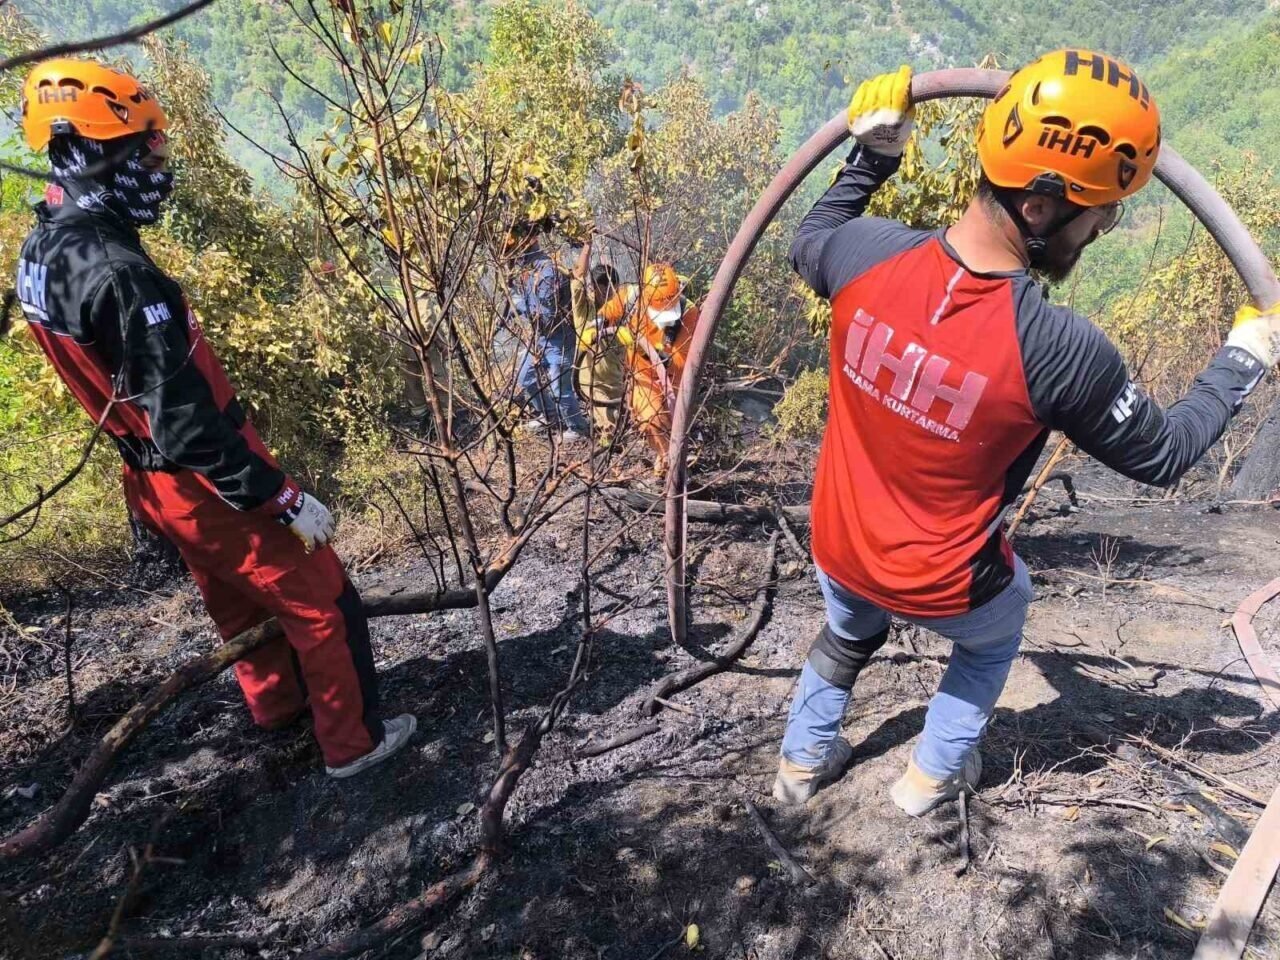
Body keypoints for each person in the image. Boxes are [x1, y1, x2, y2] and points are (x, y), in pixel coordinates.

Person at [773, 54, 1279, 812]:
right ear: (1038, 208)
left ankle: (799, 767)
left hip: (839, 545)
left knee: (847, 633)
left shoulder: (866, 255)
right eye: (1101, 211)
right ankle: (930, 781)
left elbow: (810, 235)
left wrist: (873, 156)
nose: (1104, 227)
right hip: (943, 582)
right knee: (994, 631)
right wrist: (1243, 358)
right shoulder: (1057, 349)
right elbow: (1167, 453)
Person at [14, 59, 416, 779]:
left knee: (237, 599)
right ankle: (354, 745)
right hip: (204, 475)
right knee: (323, 601)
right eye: (146, 155)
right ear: (97, 152)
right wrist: (279, 496)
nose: (158, 170)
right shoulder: (118, 273)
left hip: (152, 478)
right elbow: (186, 422)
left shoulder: (44, 249)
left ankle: (279, 709)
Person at [601, 263, 701, 472]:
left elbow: (680, 360)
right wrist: (595, 327)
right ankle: (668, 462)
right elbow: (607, 313)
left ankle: (672, 460)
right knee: (650, 420)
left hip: (674, 378)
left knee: (674, 422)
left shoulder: (689, 313)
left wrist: (643, 347)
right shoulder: (630, 297)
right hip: (642, 375)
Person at [506, 223, 589, 440]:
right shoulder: (525, 270)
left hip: (559, 339)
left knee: (560, 388)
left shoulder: (548, 271)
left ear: (531, 239)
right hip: (540, 338)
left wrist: (519, 306)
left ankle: (577, 428)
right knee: (525, 378)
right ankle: (549, 414)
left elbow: (548, 317)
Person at [569, 234, 625, 443]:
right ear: (593, 287)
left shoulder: (622, 310)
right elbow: (577, 280)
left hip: (617, 383)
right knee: (608, 429)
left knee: (623, 424)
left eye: (612, 289)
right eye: (603, 289)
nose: (608, 294)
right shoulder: (585, 310)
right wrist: (587, 246)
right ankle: (606, 452)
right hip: (593, 383)